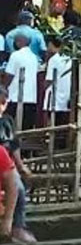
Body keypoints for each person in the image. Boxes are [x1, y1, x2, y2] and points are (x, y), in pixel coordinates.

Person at [0, 89, 35, 243]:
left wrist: (21, 166)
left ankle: (18, 225)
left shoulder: (7, 121)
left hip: (7, 163)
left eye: (3, 102)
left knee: (19, 187)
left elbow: (14, 145)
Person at [2, 36, 38, 129]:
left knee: (8, 123)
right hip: (31, 98)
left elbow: (9, 75)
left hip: (15, 97)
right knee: (27, 127)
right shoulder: (34, 57)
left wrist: (4, 87)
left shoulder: (15, 55)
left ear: (19, 42)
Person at [43, 38, 72, 130]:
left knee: (53, 121)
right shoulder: (69, 59)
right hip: (66, 94)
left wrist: (43, 89)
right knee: (62, 122)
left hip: (54, 95)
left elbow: (49, 79)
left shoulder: (54, 59)